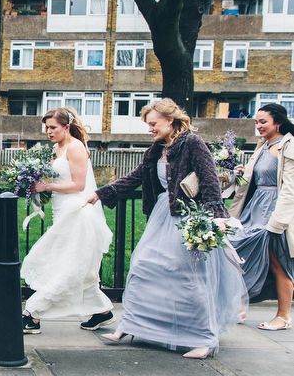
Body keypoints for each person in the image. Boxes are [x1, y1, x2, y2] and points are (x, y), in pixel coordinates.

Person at [88, 98, 247, 359]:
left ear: (169, 120)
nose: (150, 128)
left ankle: (204, 339)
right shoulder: (156, 149)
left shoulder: (192, 143)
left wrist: (217, 214)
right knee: (143, 267)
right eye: (148, 124)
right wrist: (103, 192)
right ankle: (131, 326)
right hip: (163, 216)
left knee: (190, 278)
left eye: (153, 123)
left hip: (187, 217)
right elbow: (137, 176)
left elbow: (208, 179)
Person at [20, 107, 113, 334]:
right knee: (76, 265)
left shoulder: (76, 147)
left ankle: (33, 313)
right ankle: (102, 311)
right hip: (61, 211)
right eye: (47, 128)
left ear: (66, 127)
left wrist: (46, 186)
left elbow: (78, 186)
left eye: (53, 127)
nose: (48, 132)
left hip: (77, 212)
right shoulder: (58, 148)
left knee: (65, 264)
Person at [228, 103, 294, 330]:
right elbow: (256, 180)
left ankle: (283, 316)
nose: (258, 126)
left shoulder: (289, 145)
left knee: (278, 262)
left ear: (278, 122)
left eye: (263, 122)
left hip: (275, 210)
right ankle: (239, 305)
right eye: (256, 122)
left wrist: (278, 221)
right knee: (235, 249)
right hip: (255, 209)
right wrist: (242, 173)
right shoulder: (263, 146)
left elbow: (290, 187)